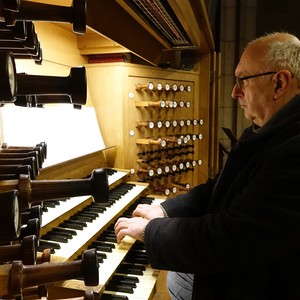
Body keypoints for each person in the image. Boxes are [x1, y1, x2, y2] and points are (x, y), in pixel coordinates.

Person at [114, 32, 300, 299]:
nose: (235, 92)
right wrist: (165, 210)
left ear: (279, 83)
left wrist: (150, 231)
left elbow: (230, 239)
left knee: (179, 280)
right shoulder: (269, 130)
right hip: (251, 266)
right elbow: (219, 189)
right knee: (179, 277)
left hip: (269, 284)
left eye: (242, 81)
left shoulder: (293, 152)